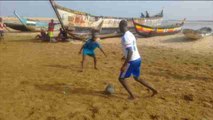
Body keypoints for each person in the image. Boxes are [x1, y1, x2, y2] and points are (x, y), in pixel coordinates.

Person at [118, 20, 158, 100]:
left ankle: (132, 96)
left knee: (121, 79)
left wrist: (124, 65)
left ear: (121, 27)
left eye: (119, 27)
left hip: (132, 61)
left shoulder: (125, 37)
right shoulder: (131, 34)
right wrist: (125, 55)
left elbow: (130, 51)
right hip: (138, 59)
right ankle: (154, 90)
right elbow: (132, 47)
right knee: (137, 78)